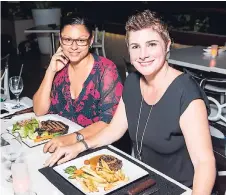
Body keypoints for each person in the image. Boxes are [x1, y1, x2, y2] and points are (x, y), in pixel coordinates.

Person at [44, 10, 216, 194]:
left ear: (167, 45)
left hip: (179, 188)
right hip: (145, 181)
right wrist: (78, 147)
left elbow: (204, 162)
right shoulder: (133, 82)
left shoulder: (185, 92)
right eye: (135, 46)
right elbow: (113, 130)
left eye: (151, 44)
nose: (143, 54)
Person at [33, 14, 123, 152]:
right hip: (60, 144)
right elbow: (39, 110)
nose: (73, 47)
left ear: (91, 40)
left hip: (95, 147)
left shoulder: (106, 70)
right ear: (60, 40)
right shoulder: (59, 68)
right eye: (68, 39)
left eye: (81, 40)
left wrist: (71, 139)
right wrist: (50, 71)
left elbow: (108, 122)